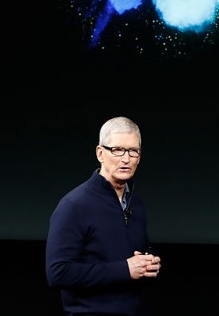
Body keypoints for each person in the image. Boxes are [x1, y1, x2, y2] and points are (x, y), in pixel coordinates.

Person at [45, 116, 162, 316]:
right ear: (100, 153)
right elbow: (58, 273)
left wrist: (147, 265)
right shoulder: (74, 205)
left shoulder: (136, 204)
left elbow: (130, 260)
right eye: (117, 150)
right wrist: (125, 269)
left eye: (133, 151)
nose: (126, 159)